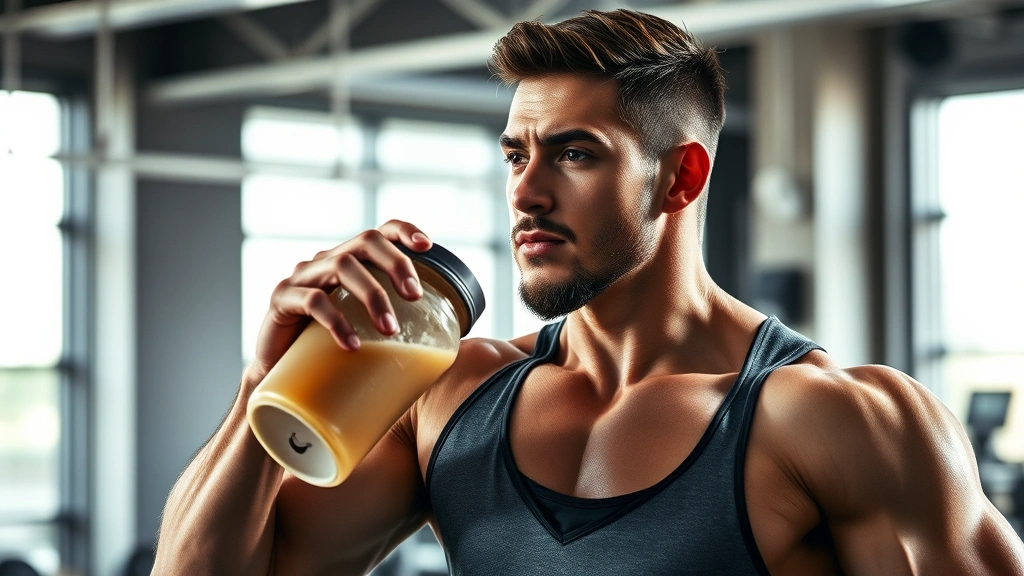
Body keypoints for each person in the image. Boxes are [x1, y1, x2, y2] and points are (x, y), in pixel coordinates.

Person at [153, 9, 1024, 575]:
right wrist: (260, 383)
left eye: (574, 154)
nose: (527, 192)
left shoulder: (838, 418)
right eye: (516, 155)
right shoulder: (455, 394)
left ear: (680, 178)